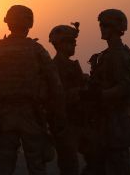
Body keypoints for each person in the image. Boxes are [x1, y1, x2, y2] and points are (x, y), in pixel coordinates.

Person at [0, 5, 65, 175]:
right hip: (31, 114)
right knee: (36, 163)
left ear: (8, 23)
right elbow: (56, 86)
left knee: (5, 162)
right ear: (29, 23)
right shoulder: (37, 50)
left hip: (6, 115)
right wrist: (58, 117)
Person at [80, 9, 130, 175]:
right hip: (101, 119)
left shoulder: (119, 55)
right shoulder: (106, 55)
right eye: (101, 25)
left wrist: (100, 95)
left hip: (114, 120)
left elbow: (124, 87)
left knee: (117, 165)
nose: (101, 28)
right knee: (95, 165)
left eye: (105, 25)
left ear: (114, 28)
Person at [48, 22, 87, 175]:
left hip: (78, 120)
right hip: (64, 122)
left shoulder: (71, 65)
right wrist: (80, 90)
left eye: (74, 42)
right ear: (59, 44)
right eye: (70, 42)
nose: (74, 45)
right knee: (69, 164)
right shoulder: (54, 67)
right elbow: (57, 97)